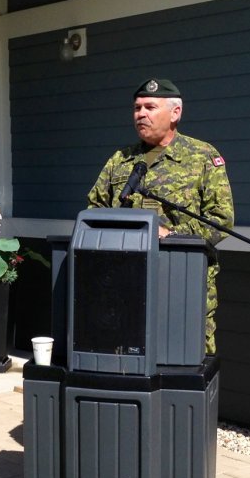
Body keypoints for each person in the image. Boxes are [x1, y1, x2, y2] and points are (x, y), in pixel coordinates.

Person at [87, 78, 235, 355]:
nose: (140, 114)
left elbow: (221, 219)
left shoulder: (202, 156)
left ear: (175, 113)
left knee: (185, 359)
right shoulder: (120, 159)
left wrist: (172, 235)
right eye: (137, 108)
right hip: (126, 285)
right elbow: (94, 209)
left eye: (150, 107)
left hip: (182, 282)